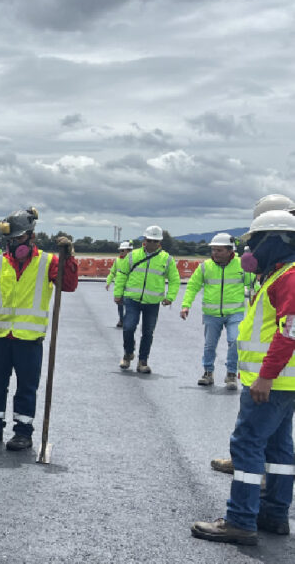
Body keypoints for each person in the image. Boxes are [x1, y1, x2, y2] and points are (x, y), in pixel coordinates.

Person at [192, 209, 295, 545]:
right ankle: (274, 514)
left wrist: (264, 377)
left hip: (272, 381)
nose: (252, 251)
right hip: (285, 381)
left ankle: (240, 520)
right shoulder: (279, 273)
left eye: (258, 241)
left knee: (247, 445)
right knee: (279, 449)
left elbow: (289, 332)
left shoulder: (289, 276)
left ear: (278, 240)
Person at [0, 207, 78, 451]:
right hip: (0, 337)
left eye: (18, 239)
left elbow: (69, 285)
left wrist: (68, 257)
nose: (14, 244)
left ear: (32, 236)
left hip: (29, 339)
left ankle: (23, 433)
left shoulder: (48, 262)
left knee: (26, 388)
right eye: (10, 240)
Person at [180, 233, 255, 390]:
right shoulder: (205, 266)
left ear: (230, 251)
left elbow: (254, 285)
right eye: (213, 250)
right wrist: (186, 305)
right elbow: (193, 286)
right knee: (209, 345)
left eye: (219, 250)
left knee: (235, 341)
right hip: (211, 314)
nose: (215, 253)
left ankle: (231, 374)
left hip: (235, 313)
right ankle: (208, 372)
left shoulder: (241, 265)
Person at [113, 225, 180, 374]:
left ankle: (143, 361)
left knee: (148, 332)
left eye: (155, 241)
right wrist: (118, 293)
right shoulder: (133, 256)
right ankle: (128, 353)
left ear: (160, 242)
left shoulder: (167, 259)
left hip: (152, 302)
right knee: (128, 327)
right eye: (150, 240)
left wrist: (170, 297)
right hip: (132, 299)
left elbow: (174, 280)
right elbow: (122, 274)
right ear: (144, 240)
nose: (152, 243)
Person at [105, 241, 133, 327]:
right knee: (120, 304)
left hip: (130, 286)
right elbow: (112, 272)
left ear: (128, 251)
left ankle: (126, 320)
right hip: (119, 286)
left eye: (122, 250)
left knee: (129, 305)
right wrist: (108, 282)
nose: (121, 252)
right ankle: (121, 320)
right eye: (120, 250)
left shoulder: (133, 260)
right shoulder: (117, 260)